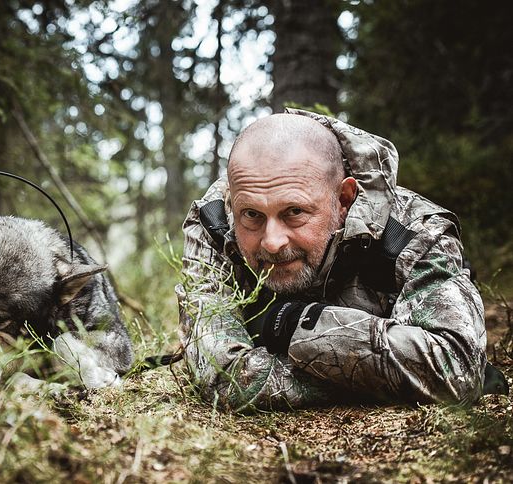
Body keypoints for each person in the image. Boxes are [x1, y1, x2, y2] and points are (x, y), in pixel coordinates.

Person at [176, 108, 503, 411]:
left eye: (294, 212)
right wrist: (388, 376)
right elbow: (223, 376)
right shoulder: (214, 223)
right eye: (252, 215)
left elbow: (456, 367)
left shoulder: (412, 233)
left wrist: (295, 325)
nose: (272, 242)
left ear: (344, 199)